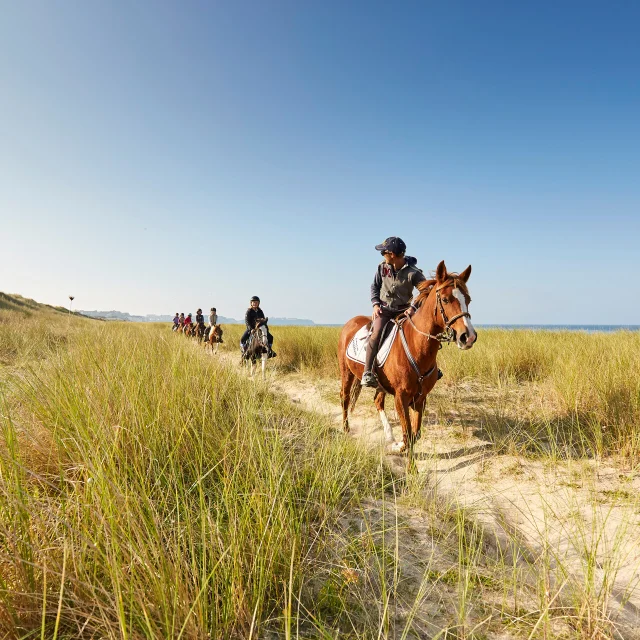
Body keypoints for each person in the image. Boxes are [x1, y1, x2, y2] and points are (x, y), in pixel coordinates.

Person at [361, 237, 426, 388]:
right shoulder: (381, 267)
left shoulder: (414, 273)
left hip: (405, 312)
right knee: (376, 334)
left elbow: (426, 292)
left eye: (383, 252)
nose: (382, 254)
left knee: (423, 334)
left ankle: (432, 370)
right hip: (384, 310)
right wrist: (375, 304)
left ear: (392, 254)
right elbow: (374, 286)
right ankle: (367, 372)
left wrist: (413, 307)